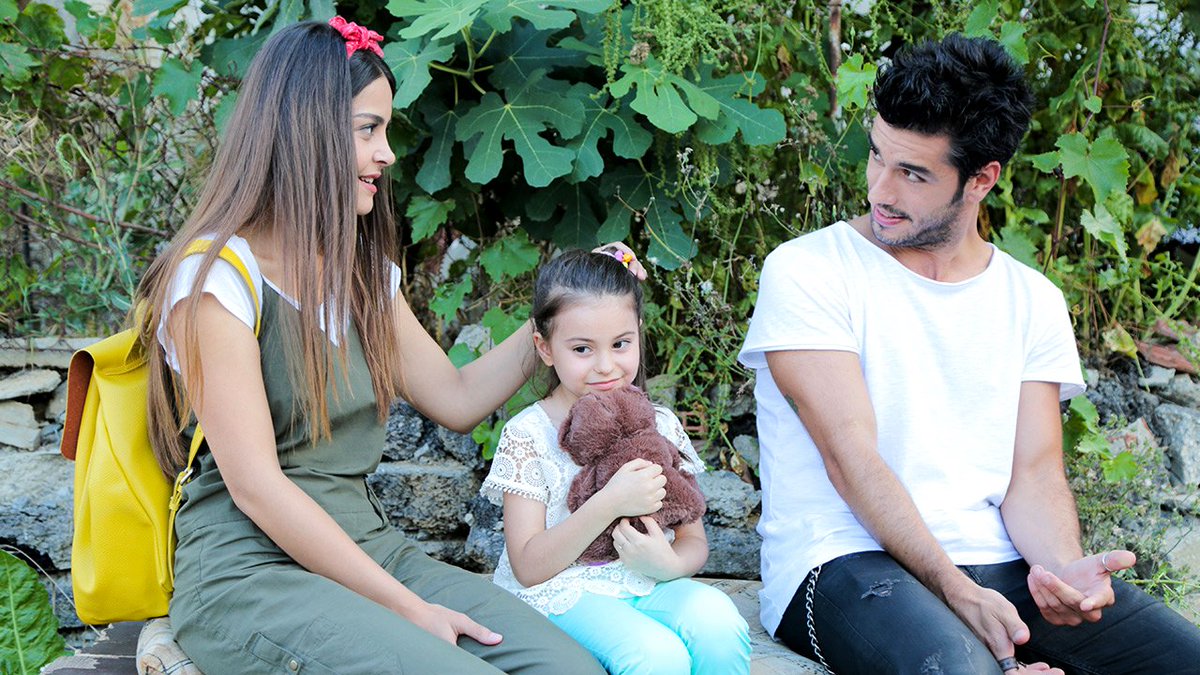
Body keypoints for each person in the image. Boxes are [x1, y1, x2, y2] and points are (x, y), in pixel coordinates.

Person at [135, 18, 642, 674]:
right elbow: (258, 488)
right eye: (367, 129)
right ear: (306, 131)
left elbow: (456, 398)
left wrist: (563, 319)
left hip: (366, 547)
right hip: (250, 574)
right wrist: (406, 607)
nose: (387, 154)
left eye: (386, 131)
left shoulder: (361, 274)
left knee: (571, 669)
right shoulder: (215, 279)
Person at [737, 33, 1200, 674]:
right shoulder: (808, 271)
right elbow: (851, 457)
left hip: (995, 563)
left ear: (982, 179)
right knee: (960, 669)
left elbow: (1033, 473)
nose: (880, 190)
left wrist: (1062, 572)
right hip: (841, 562)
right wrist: (958, 594)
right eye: (877, 156)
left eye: (913, 173)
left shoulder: (1031, 300)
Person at [479, 249, 752, 675]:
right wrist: (609, 502)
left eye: (621, 344)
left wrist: (671, 564)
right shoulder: (529, 433)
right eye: (582, 349)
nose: (606, 367)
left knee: (718, 622)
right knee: (656, 655)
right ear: (545, 348)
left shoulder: (661, 423)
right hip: (560, 591)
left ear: (638, 333)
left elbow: (692, 540)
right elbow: (528, 567)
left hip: (645, 579)